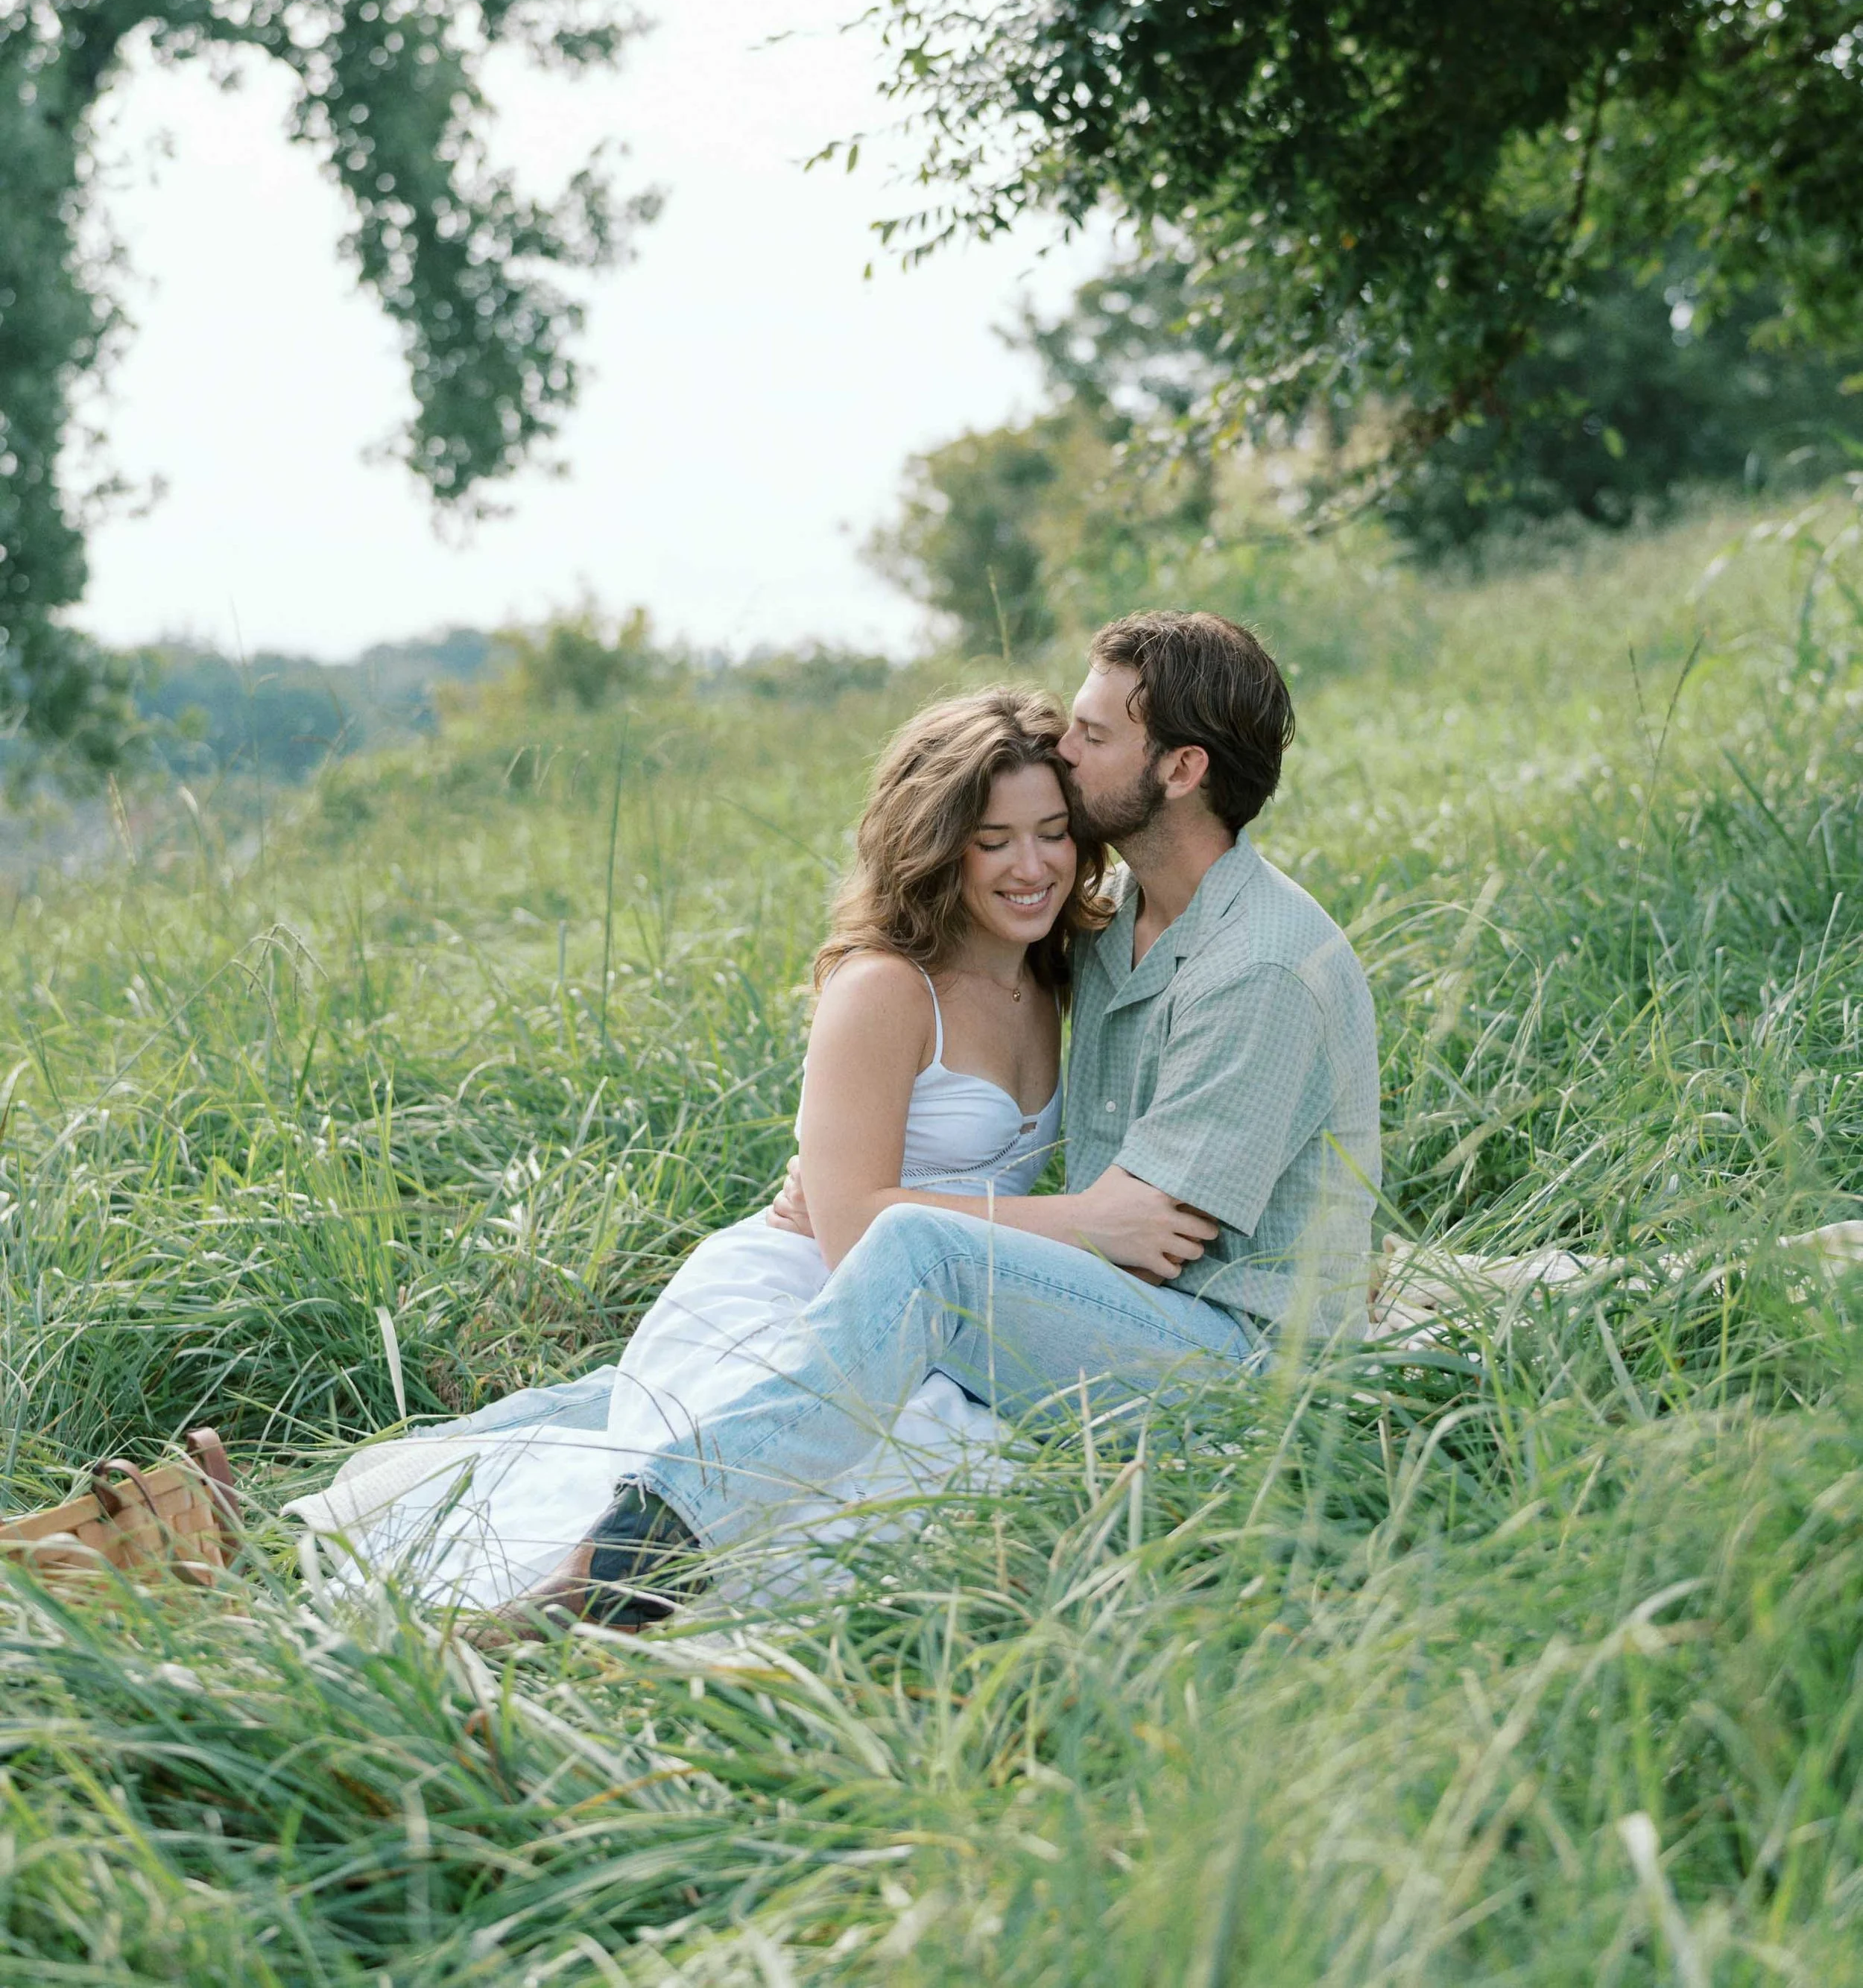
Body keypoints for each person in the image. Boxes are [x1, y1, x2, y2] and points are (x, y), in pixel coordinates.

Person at [546, 610, 1382, 1628]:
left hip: (1236, 1356)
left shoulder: (1254, 966)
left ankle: (606, 1583)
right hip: (1111, 1308)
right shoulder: (1108, 931)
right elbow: (1079, 1211)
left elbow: (1147, 1234)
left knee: (921, 1256)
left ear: (1179, 768)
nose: (1064, 754)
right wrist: (878, 1190)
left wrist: (911, 1207)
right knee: (908, 1269)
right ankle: (625, 1570)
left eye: (1092, 734)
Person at [288, 686, 1127, 1616]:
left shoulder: (1064, 965)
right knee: (876, 1510)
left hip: (958, 1309)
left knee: (1023, 1491)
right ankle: (551, 1599)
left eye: (1053, 831)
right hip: (804, 1296)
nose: (1032, 866)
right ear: (936, 845)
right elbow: (853, 1234)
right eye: (993, 839)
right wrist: (1084, 1224)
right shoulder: (888, 988)